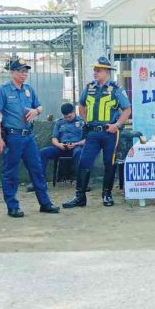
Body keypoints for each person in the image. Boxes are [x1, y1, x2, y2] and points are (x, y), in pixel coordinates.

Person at [0, 59, 60, 218]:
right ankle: (12, 206)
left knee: (37, 170)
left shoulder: (29, 90)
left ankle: (45, 203)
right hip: (13, 137)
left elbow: (40, 106)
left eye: (26, 71)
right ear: (12, 72)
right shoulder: (2, 90)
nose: (24, 74)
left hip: (28, 137)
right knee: (11, 173)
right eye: (21, 71)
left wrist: (36, 111)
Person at [63, 56, 131, 208]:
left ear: (106, 71)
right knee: (84, 162)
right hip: (92, 133)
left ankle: (107, 195)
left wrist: (117, 124)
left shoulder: (116, 88)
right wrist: (86, 120)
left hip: (109, 133)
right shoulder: (89, 87)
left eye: (98, 70)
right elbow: (81, 105)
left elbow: (127, 109)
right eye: (94, 70)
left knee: (109, 163)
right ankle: (80, 197)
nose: (95, 72)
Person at [33, 102, 85, 189]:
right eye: (65, 117)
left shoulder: (82, 122)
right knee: (43, 152)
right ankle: (39, 183)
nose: (68, 119)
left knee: (79, 153)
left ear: (74, 112)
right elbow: (54, 138)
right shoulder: (59, 123)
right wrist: (59, 144)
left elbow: (87, 140)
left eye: (70, 116)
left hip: (76, 147)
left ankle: (82, 184)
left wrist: (76, 144)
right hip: (62, 148)